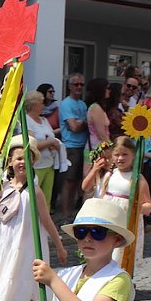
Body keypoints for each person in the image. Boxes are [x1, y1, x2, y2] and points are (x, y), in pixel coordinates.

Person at [0, 137, 67, 301]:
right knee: (28, 289)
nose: (22, 162)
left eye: (27, 158)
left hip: (28, 245)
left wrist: (59, 245)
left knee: (14, 287)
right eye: (18, 158)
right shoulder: (3, 187)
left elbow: (47, 220)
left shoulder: (35, 191)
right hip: (8, 244)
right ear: (10, 162)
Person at [100, 137, 151, 265]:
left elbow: (148, 205)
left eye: (125, 154)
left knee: (122, 254)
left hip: (127, 222)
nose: (120, 158)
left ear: (133, 155)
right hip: (109, 219)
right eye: (117, 155)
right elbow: (102, 197)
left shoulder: (137, 179)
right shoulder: (109, 176)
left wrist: (136, 208)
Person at [24, 91, 62, 205]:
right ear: (34, 105)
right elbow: (31, 144)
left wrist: (53, 144)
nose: (44, 105)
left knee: (46, 200)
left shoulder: (44, 120)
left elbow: (52, 137)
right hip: (36, 166)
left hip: (49, 164)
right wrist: (50, 142)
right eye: (41, 103)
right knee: (33, 199)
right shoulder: (26, 121)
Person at [60, 74, 89, 217]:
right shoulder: (66, 103)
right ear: (69, 86)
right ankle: (65, 215)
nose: (79, 87)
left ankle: (73, 214)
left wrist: (80, 123)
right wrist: (83, 123)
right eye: (76, 84)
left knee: (79, 182)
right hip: (71, 146)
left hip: (82, 145)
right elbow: (74, 127)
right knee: (69, 182)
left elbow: (80, 125)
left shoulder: (83, 104)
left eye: (81, 84)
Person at [85, 78, 111, 152]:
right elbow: (101, 134)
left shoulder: (98, 107)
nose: (109, 90)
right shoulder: (96, 108)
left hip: (100, 148)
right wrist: (113, 149)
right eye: (107, 88)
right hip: (95, 149)